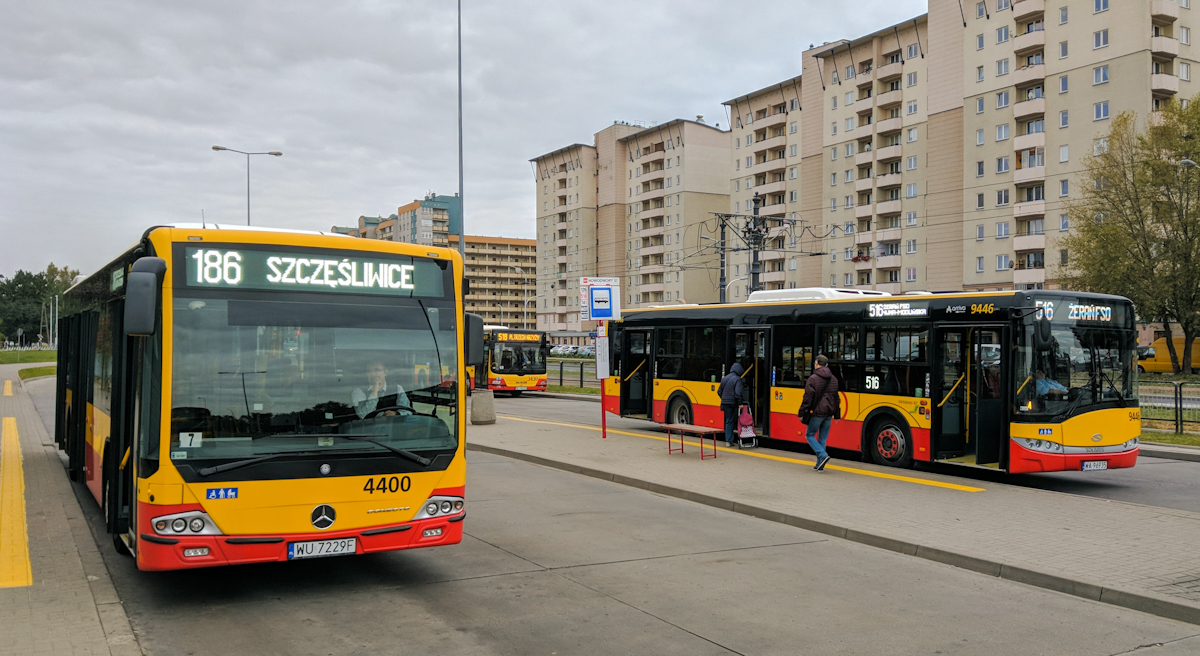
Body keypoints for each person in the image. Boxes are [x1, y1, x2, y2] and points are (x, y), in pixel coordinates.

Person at [797, 354, 840, 471]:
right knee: (822, 439)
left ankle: (822, 455)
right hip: (829, 413)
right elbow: (836, 398)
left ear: (816, 364)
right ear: (826, 365)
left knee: (809, 435)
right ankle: (819, 464)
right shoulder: (834, 379)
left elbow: (807, 398)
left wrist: (801, 413)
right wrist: (837, 414)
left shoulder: (812, 379)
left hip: (817, 413)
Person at [716, 363, 746, 447]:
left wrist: (724, 398)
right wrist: (740, 403)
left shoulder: (724, 379)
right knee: (730, 420)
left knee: (728, 420)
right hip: (732, 403)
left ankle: (729, 439)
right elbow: (738, 393)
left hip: (724, 403)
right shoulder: (738, 379)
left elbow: (719, 391)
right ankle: (729, 441)